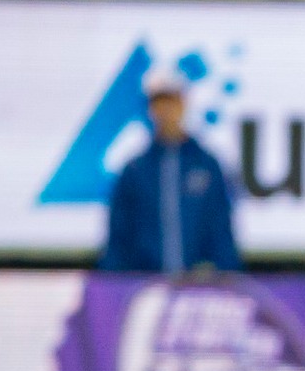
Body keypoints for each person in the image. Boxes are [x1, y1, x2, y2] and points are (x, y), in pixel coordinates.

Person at [98, 71, 241, 275]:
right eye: (159, 102)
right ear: (150, 108)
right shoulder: (135, 171)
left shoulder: (206, 165)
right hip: (146, 286)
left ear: (183, 104)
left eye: (171, 101)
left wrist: (224, 273)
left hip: (196, 288)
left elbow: (221, 230)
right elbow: (119, 236)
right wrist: (115, 284)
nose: (166, 110)